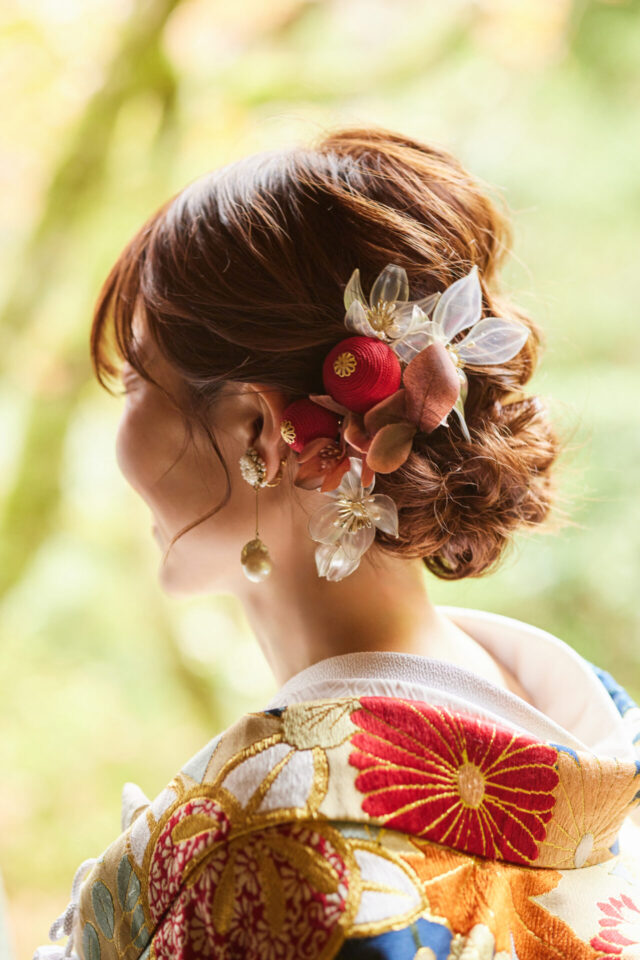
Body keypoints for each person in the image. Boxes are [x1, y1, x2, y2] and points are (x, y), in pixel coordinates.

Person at [34, 126, 640, 960]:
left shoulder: (272, 846)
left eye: (139, 382)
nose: (119, 431)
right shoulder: (584, 712)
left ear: (258, 428)